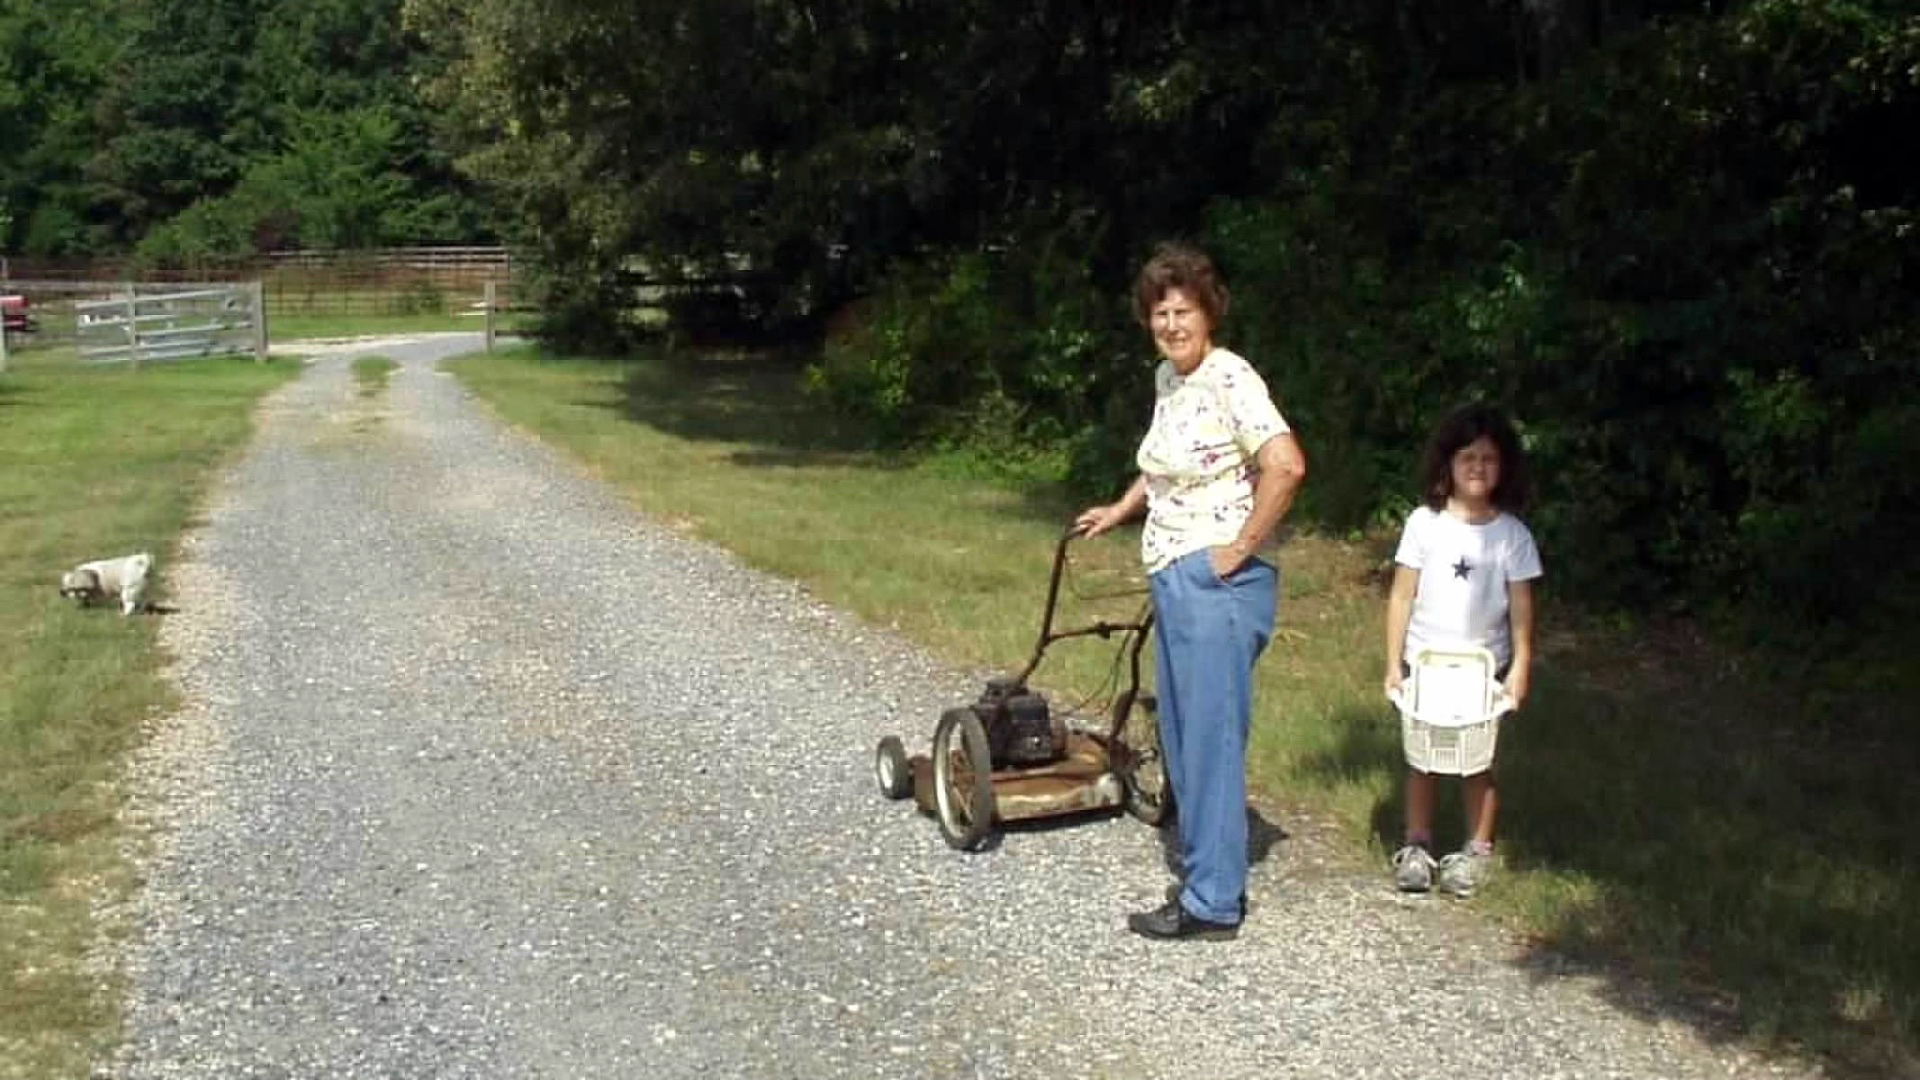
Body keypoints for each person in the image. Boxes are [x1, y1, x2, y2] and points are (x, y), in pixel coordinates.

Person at [1077, 242, 1307, 942]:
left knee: (1208, 739)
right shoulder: (1169, 380)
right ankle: (1206, 872)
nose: (1172, 324)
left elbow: (1286, 465)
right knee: (1181, 734)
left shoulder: (1231, 377)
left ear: (1209, 313)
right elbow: (1169, 464)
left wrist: (1234, 551)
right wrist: (1122, 509)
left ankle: (1212, 902)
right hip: (1176, 574)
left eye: (1184, 311)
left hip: (1217, 585)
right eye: (1160, 313)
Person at [1383, 404, 1541, 897]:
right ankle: (1416, 845)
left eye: (1488, 459)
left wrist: (1520, 667)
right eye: (1467, 457)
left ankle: (1477, 849)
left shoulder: (1512, 536)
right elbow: (1402, 595)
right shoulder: (1423, 525)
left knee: (1477, 762)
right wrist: (1393, 663)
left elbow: (1520, 609)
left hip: (1481, 671)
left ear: (1503, 467)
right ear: (1447, 464)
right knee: (1422, 758)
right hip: (1426, 665)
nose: (1477, 467)